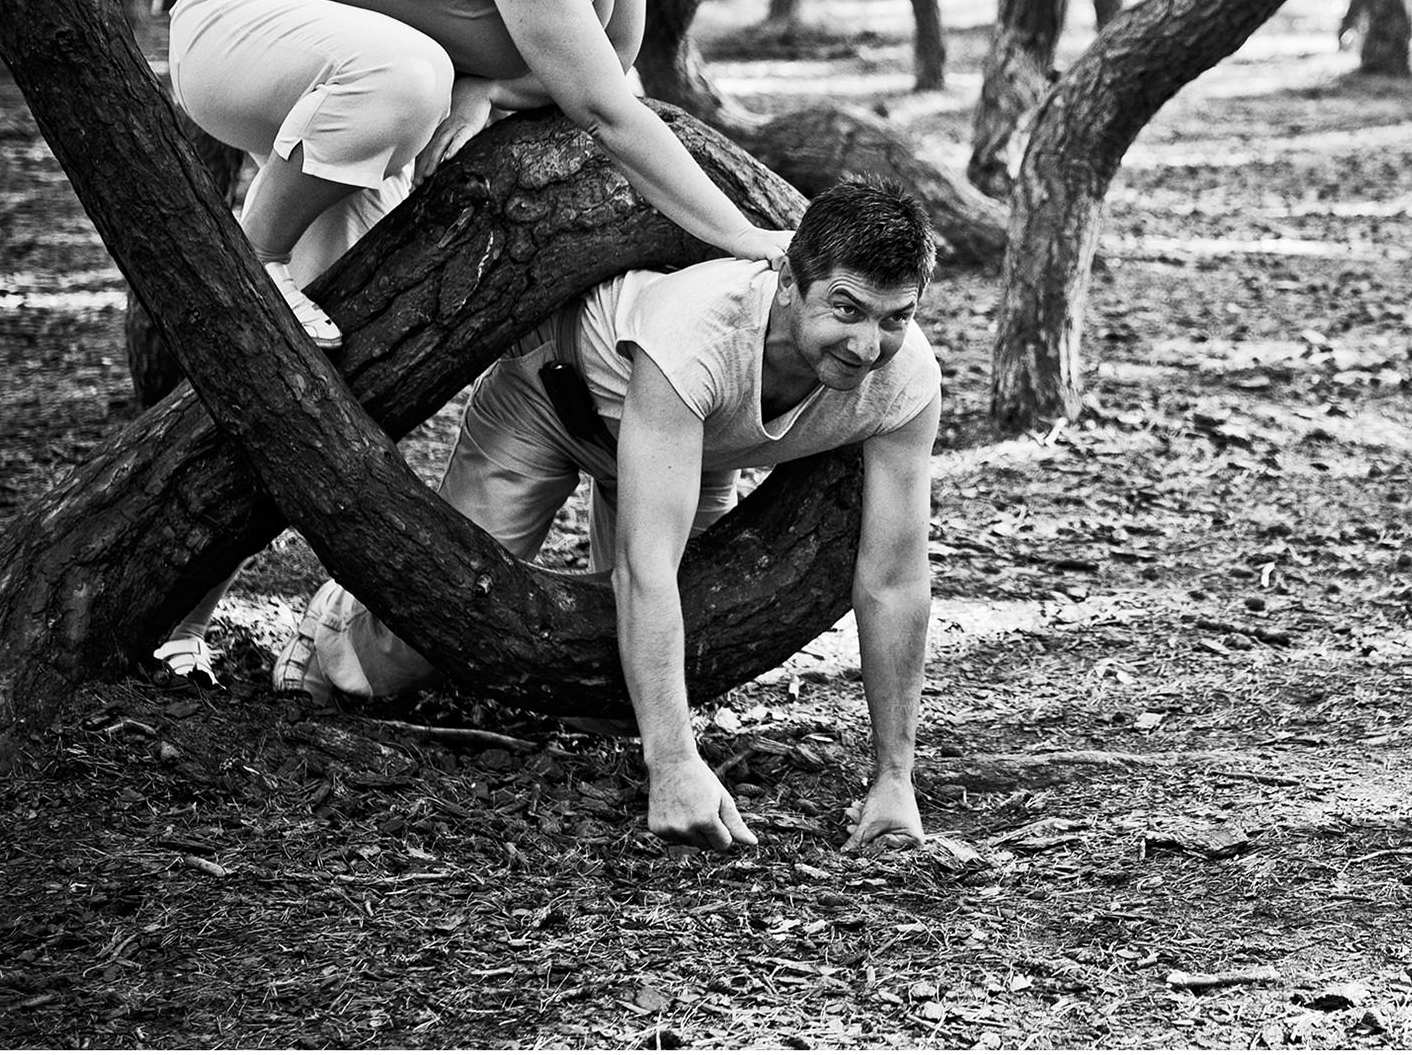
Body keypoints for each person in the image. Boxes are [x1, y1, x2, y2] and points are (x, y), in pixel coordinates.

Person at [153, 0, 783, 683]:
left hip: (354, 123)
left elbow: (596, 76)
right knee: (410, 77)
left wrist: (486, 77)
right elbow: (613, 117)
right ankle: (251, 258)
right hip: (241, 27)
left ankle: (173, 621)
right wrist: (746, 237)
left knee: (326, 380)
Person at [276, 179, 941, 854]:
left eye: (893, 317)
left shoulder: (906, 380)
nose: (866, 345)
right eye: (848, 309)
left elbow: (892, 579)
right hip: (558, 402)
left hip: (691, 444)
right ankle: (338, 616)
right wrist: (675, 766)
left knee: (672, 657)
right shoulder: (700, 331)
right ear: (789, 281)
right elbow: (643, 569)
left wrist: (894, 776)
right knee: (411, 643)